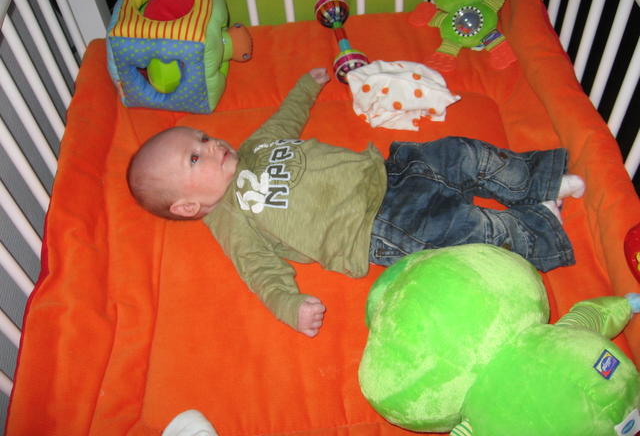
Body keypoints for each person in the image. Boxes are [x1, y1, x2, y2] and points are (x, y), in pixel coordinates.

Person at [127, 67, 585, 337]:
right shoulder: (230, 218)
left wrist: (305, 88)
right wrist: (290, 306)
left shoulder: (253, 147)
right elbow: (259, 272)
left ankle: (537, 181)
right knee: (466, 231)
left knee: (462, 152)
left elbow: (285, 120)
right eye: (195, 157)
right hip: (375, 227)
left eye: (202, 137)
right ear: (186, 206)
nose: (210, 146)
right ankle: (539, 226)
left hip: (388, 170)